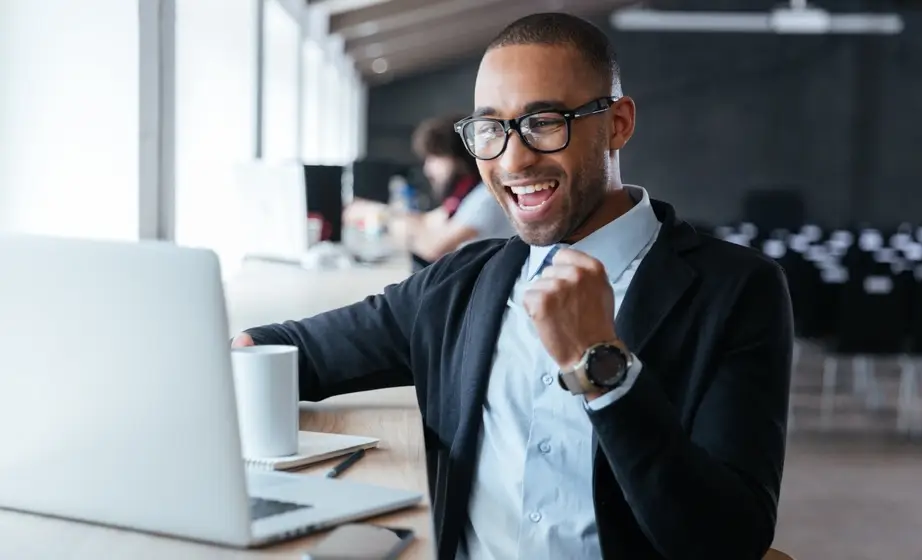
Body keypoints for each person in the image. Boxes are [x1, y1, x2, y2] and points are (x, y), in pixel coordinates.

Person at [234, 12, 792, 560]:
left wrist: (603, 366)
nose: (514, 159)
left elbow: (727, 540)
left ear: (618, 123)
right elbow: (287, 351)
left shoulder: (736, 292)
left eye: (545, 122)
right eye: (490, 129)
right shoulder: (460, 285)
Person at [396, 113, 515, 268]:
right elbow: (427, 220)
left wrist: (395, 226)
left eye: (435, 158)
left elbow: (433, 248)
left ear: (459, 160)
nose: (428, 169)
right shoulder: (464, 194)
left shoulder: (485, 197)